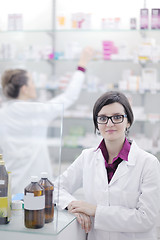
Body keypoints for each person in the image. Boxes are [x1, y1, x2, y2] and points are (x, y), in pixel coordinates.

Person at [55, 91, 160, 240]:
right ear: (97, 124)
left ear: (128, 121)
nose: (109, 124)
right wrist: (73, 206)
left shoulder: (148, 163)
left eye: (117, 117)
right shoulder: (87, 157)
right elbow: (56, 188)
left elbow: (146, 219)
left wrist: (95, 211)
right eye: (103, 118)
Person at [0, 47, 94, 194]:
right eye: (31, 81)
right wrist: (82, 64)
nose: (34, 85)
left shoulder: (2, 113)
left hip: (11, 184)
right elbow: (69, 96)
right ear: (24, 88)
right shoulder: (37, 111)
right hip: (37, 185)